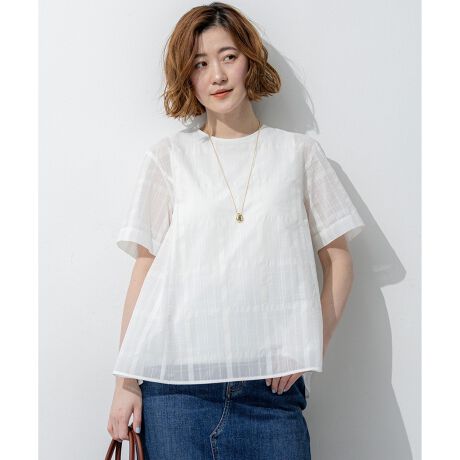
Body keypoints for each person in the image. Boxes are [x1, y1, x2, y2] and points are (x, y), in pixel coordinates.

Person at [107, 2, 365, 459]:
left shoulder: (299, 154)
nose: (217, 75)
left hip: (270, 395)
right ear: (187, 77)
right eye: (200, 64)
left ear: (249, 60)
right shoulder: (169, 158)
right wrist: (125, 382)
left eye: (228, 57)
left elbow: (339, 257)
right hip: (175, 391)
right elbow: (145, 270)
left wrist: (308, 346)